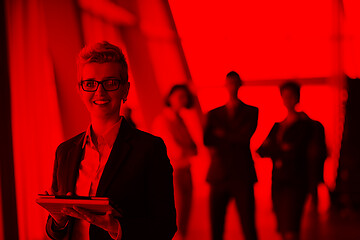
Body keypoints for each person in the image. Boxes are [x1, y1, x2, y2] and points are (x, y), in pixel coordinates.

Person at [45, 41, 177, 240]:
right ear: (80, 90)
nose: (99, 91)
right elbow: (58, 233)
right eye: (90, 83)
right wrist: (58, 221)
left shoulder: (150, 149)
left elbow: (165, 227)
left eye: (110, 82)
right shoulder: (65, 151)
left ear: (125, 89)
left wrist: (116, 227)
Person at [257, 81, 326, 240]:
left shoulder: (306, 126)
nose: (287, 99)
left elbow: (297, 151)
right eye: (285, 96)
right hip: (279, 182)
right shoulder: (278, 126)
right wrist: (283, 148)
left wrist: (276, 148)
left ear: (297, 98)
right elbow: (261, 150)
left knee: (291, 227)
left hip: (296, 182)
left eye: (291, 96)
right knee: (283, 226)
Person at [203, 71, 258, 240]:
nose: (232, 87)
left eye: (235, 83)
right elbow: (207, 140)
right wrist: (232, 136)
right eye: (230, 83)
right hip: (220, 175)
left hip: (241, 174)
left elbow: (244, 138)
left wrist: (222, 135)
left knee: (249, 226)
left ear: (240, 85)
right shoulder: (213, 113)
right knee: (216, 227)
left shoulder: (251, 111)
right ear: (226, 85)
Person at [152, 84, 197, 240]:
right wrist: (187, 148)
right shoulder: (162, 121)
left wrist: (187, 148)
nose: (182, 100)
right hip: (173, 173)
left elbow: (194, 147)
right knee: (175, 217)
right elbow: (176, 151)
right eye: (179, 96)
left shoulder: (181, 120)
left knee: (185, 216)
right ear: (170, 98)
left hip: (185, 170)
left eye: (184, 97)